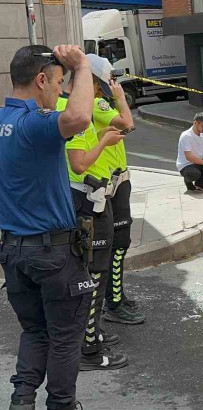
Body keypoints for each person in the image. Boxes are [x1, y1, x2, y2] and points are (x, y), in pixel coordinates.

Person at [0, 44, 95, 410]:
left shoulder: (4, 123)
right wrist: (82, 66)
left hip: (13, 252)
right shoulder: (34, 123)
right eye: (58, 83)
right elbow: (79, 119)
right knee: (66, 337)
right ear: (41, 79)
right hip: (52, 254)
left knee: (34, 331)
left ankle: (22, 401)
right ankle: (62, 404)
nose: (61, 92)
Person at [56, 71, 129, 372]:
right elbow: (79, 162)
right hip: (85, 201)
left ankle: (90, 334)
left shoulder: (78, 113)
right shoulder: (73, 114)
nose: (96, 92)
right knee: (93, 274)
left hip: (91, 198)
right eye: (88, 83)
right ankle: (88, 347)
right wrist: (104, 141)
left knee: (90, 271)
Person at [87, 54, 146, 326]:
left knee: (116, 245)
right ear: (99, 82)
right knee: (117, 244)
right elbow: (128, 123)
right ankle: (113, 302)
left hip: (115, 179)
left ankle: (115, 295)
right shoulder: (97, 102)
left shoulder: (97, 103)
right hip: (110, 182)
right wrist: (121, 98)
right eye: (111, 79)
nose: (114, 84)